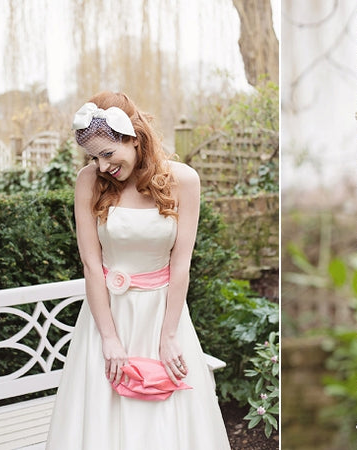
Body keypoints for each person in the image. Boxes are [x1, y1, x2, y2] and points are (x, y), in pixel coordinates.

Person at [46, 91, 231, 449]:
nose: (101, 166)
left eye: (108, 153)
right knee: (102, 416)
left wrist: (168, 334)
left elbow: (181, 264)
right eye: (93, 157)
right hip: (107, 317)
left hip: (163, 314)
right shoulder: (89, 181)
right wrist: (110, 339)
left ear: (133, 137)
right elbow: (90, 264)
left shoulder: (185, 181)